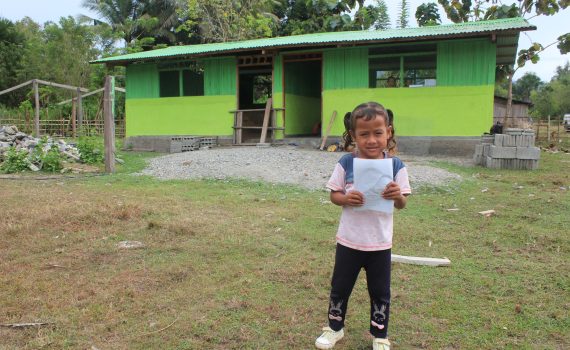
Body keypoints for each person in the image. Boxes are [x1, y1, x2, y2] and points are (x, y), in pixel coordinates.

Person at [315, 102, 411, 350]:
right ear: (353, 135)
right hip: (349, 241)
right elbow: (334, 194)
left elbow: (402, 203)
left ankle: (380, 335)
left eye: (377, 133)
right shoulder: (346, 162)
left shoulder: (396, 166)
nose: (371, 140)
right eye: (363, 134)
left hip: (380, 243)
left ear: (388, 132)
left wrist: (397, 195)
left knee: (380, 292)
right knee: (340, 287)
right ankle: (334, 329)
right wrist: (345, 198)